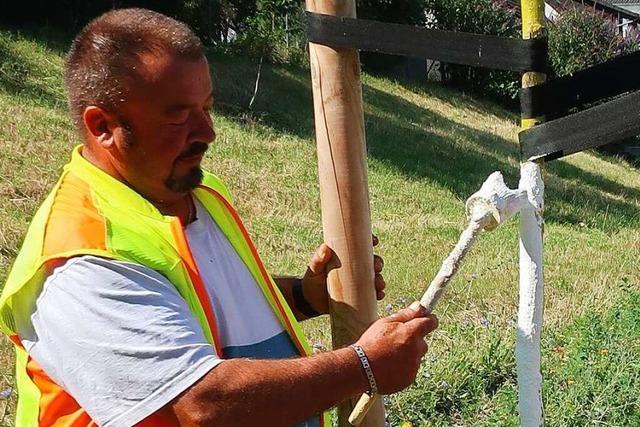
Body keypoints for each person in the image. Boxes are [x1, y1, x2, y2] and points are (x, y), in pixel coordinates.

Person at [0, 8, 438, 427]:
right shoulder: (80, 261)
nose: (208, 133)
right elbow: (204, 407)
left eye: (207, 109)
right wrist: (363, 366)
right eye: (178, 119)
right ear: (102, 127)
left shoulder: (197, 193)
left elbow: (199, 316)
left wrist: (305, 297)